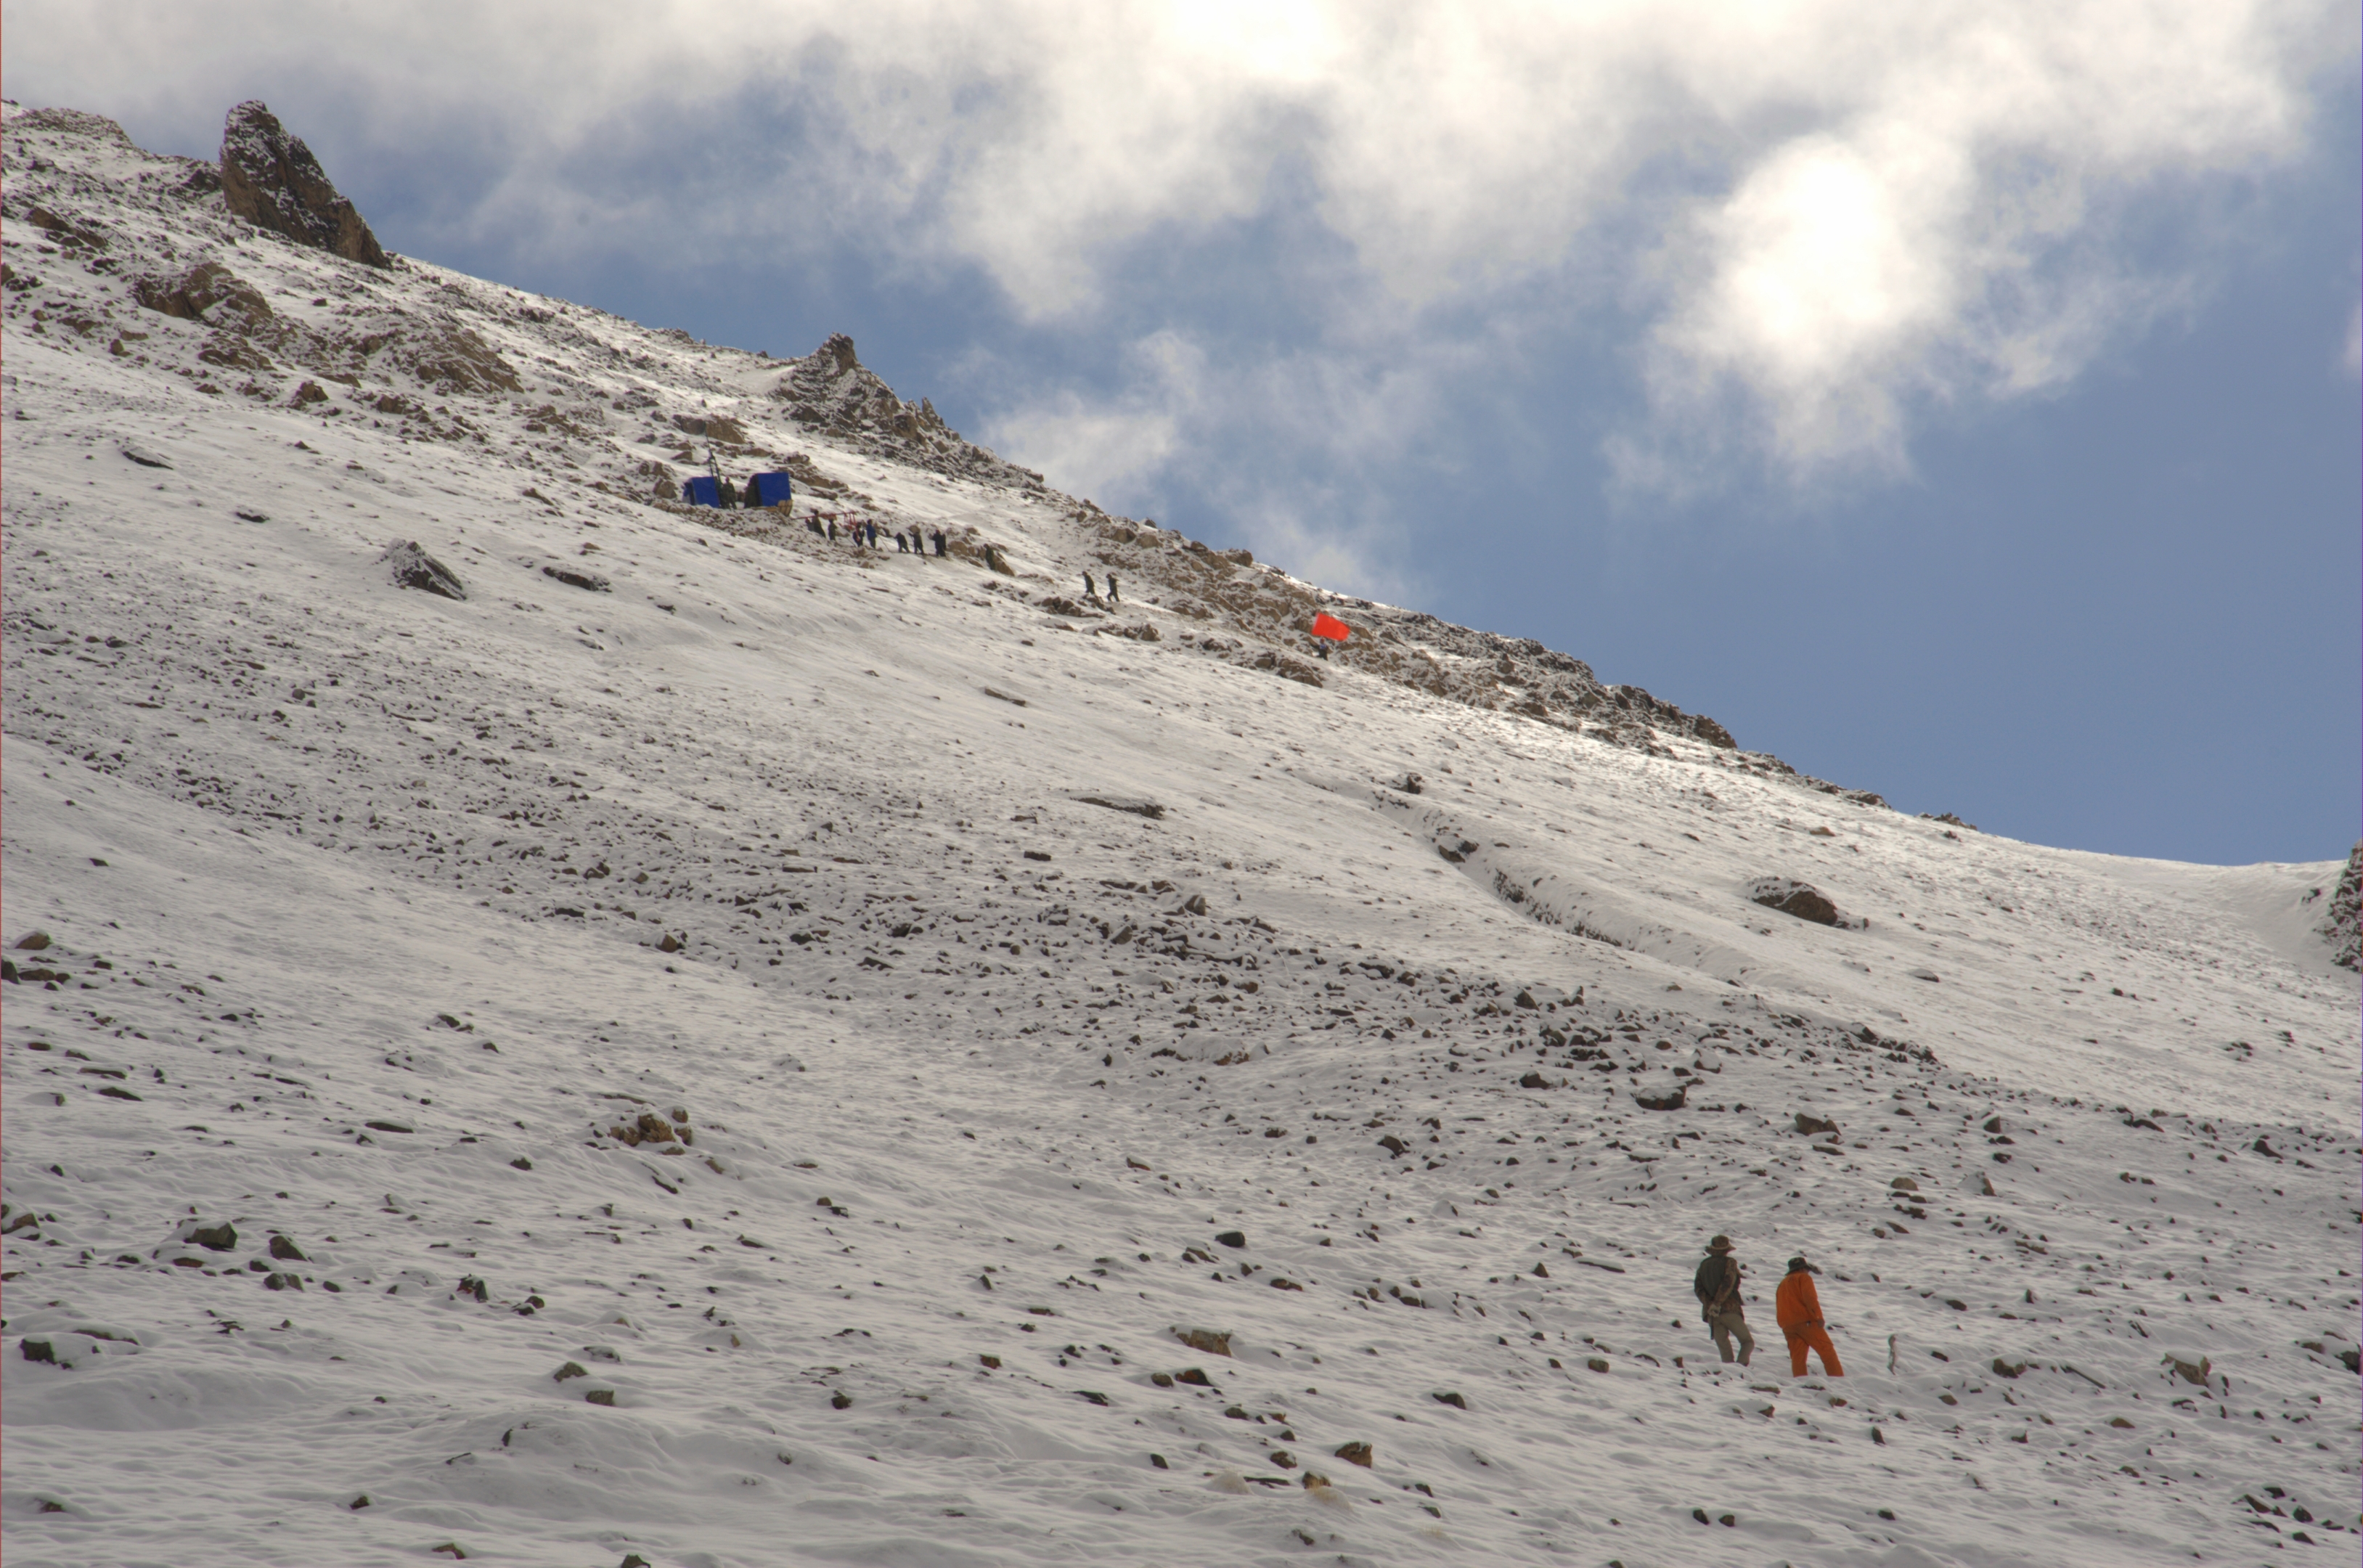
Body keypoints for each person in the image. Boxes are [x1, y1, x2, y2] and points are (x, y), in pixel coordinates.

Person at [1776, 1256, 1843, 1377]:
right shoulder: (1803, 1278)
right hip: (1806, 1322)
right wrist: (1818, 1317)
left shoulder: (1782, 1283)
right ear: (1802, 1269)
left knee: (1798, 1358)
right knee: (1828, 1352)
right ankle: (1839, 1381)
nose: (1808, 1272)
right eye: (1807, 1269)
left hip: (1788, 1325)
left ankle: (1801, 1384)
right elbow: (1810, 1299)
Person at [1693, 1235, 1753, 1367]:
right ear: (1727, 1250)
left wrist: (1710, 1305)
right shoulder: (1730, 1262)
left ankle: (1730, 1375)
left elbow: (1698, 1288)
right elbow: (1728, 1283)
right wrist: (1717, 1303)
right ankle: (1741, 1368)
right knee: (1747, 1342)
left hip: (1712, 1315)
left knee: (1725, 1351)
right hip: (1729, 1309)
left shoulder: (1704, 1265)